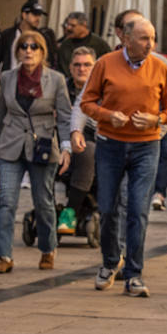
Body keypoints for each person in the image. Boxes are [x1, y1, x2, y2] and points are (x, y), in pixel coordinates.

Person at [81, 17, 167, 297]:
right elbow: (87, 102)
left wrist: (156, 119)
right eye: (143, 38)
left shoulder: (161, 66)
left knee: (138, 210)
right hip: (110, 145)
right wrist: (107, 115)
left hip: (146, 146)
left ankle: (134, 274)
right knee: (109, 208)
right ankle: (111, 261)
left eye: (152, 38)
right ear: (126, 39)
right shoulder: (105, 63)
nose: (150, 44)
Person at [0, 31, 71, 273]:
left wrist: (66, 148)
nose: (28, 51)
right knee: (6, 200)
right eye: (23, 47)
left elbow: (64, 117)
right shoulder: (8, 77)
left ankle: (48, 248)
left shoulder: (56, 79)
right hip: (10, 145)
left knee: (43, 201)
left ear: (42, 52)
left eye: (34, 47)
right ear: (17, 52)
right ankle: (4, 256)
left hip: (41, 145)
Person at [58, 47, 99, 237]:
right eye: (77, 65)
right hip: (58, 139)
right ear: (70, 67)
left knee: (87, 151)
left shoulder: (102, 89)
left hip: (91, 141)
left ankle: (70, 211)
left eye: (87, 65)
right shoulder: (61, 88)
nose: (81, 69)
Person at [0, 2, 58, 72]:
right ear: (24, 15)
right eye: (35, 14)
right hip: (11, 79)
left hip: (36, 79)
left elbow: (49, 60)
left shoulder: (42, 37)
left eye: (39, 15)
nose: (38, 18)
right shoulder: (7, 35)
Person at [55, 12, 110, 76]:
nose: (68, 28)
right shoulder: (65, 45)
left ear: (84, 25)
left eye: (73, 26)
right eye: (68, 25)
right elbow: (61, 69)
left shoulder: (100, 44)